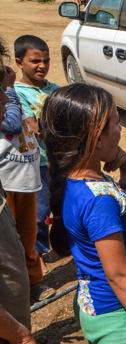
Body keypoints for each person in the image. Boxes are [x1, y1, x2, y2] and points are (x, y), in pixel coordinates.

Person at [40, 84, 126, 344]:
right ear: (96, 138)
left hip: (97, 302)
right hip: (119, 315)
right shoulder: (98, 201)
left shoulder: (79, 183)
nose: (120, 131)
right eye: (116, 124)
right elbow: (118, 273)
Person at [0, 48, 39, 344]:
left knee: (27, 238)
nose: (4, 98)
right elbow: (13, 123)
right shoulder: (11, 100)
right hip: (10, 333)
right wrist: (20, 336)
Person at [13, 35, 59, 265]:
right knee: (39, 214)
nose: (42, 66)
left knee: (62, 207)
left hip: (60, 161)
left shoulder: (55, 90)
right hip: (38, 163)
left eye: (46, 61)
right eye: (35, 61)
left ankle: (61, 244)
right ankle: (36, 257)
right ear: (19, 62)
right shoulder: (18, 93)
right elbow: (34, 129)